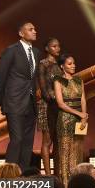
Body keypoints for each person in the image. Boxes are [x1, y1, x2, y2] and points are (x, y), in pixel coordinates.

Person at [0, 21, 40, 171]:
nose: (34, 31)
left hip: (31, 103)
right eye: (30, 29)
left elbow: (33, 79)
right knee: (17, 140)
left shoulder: (36, 53)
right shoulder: (11, 50)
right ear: (21, 33)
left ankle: (23, 179)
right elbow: (0, 78)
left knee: (28, 142)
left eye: (34, 29)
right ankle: (8, 178)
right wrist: (3, 102)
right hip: (14, 102)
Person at [54, 54, 87, 186]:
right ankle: (66, 185)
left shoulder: (79, 80)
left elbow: (83, 99)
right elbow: (60, 104)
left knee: (77, 152)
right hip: (65, 120)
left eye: (73, 63)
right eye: (69, 63)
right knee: (65, 153)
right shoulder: (58, 80)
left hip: (80, 121)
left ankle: (76, 184)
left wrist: (83, 116)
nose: (73, 65)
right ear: (62, 66)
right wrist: (78, 113)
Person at [37, 37, 62, 176]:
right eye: (54, 46)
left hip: (58, 105)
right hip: (47, 106)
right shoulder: (43, 64)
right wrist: (53, 100)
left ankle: (57, 173)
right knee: (47, 140)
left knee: (57, 140)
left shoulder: (59, 66)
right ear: (47, 48)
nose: (57, 48)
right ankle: (47, 174)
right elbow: (43, 87)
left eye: (58, 46)